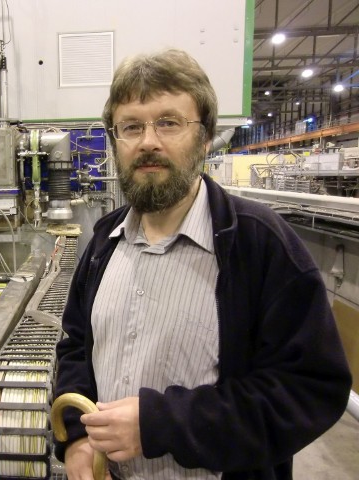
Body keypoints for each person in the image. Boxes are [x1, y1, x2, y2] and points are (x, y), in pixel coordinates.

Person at [54, 49, 352, 480]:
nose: (148, 141)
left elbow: (308, 390)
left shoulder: (259, 244)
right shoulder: (105, 240)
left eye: (169, 122)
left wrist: (161, 424)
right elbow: (77, 346)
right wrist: (78, 438)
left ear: (206, 136)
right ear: (115, 140)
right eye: (131, 127)